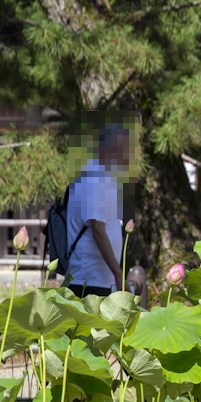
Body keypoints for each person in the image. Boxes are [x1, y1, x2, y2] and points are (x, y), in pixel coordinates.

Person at [65, 125, 131, 298]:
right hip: (89, 280)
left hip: (99, 279)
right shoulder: (95, 178)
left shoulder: (102, 176)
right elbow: (98, 231)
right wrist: (118, 274)